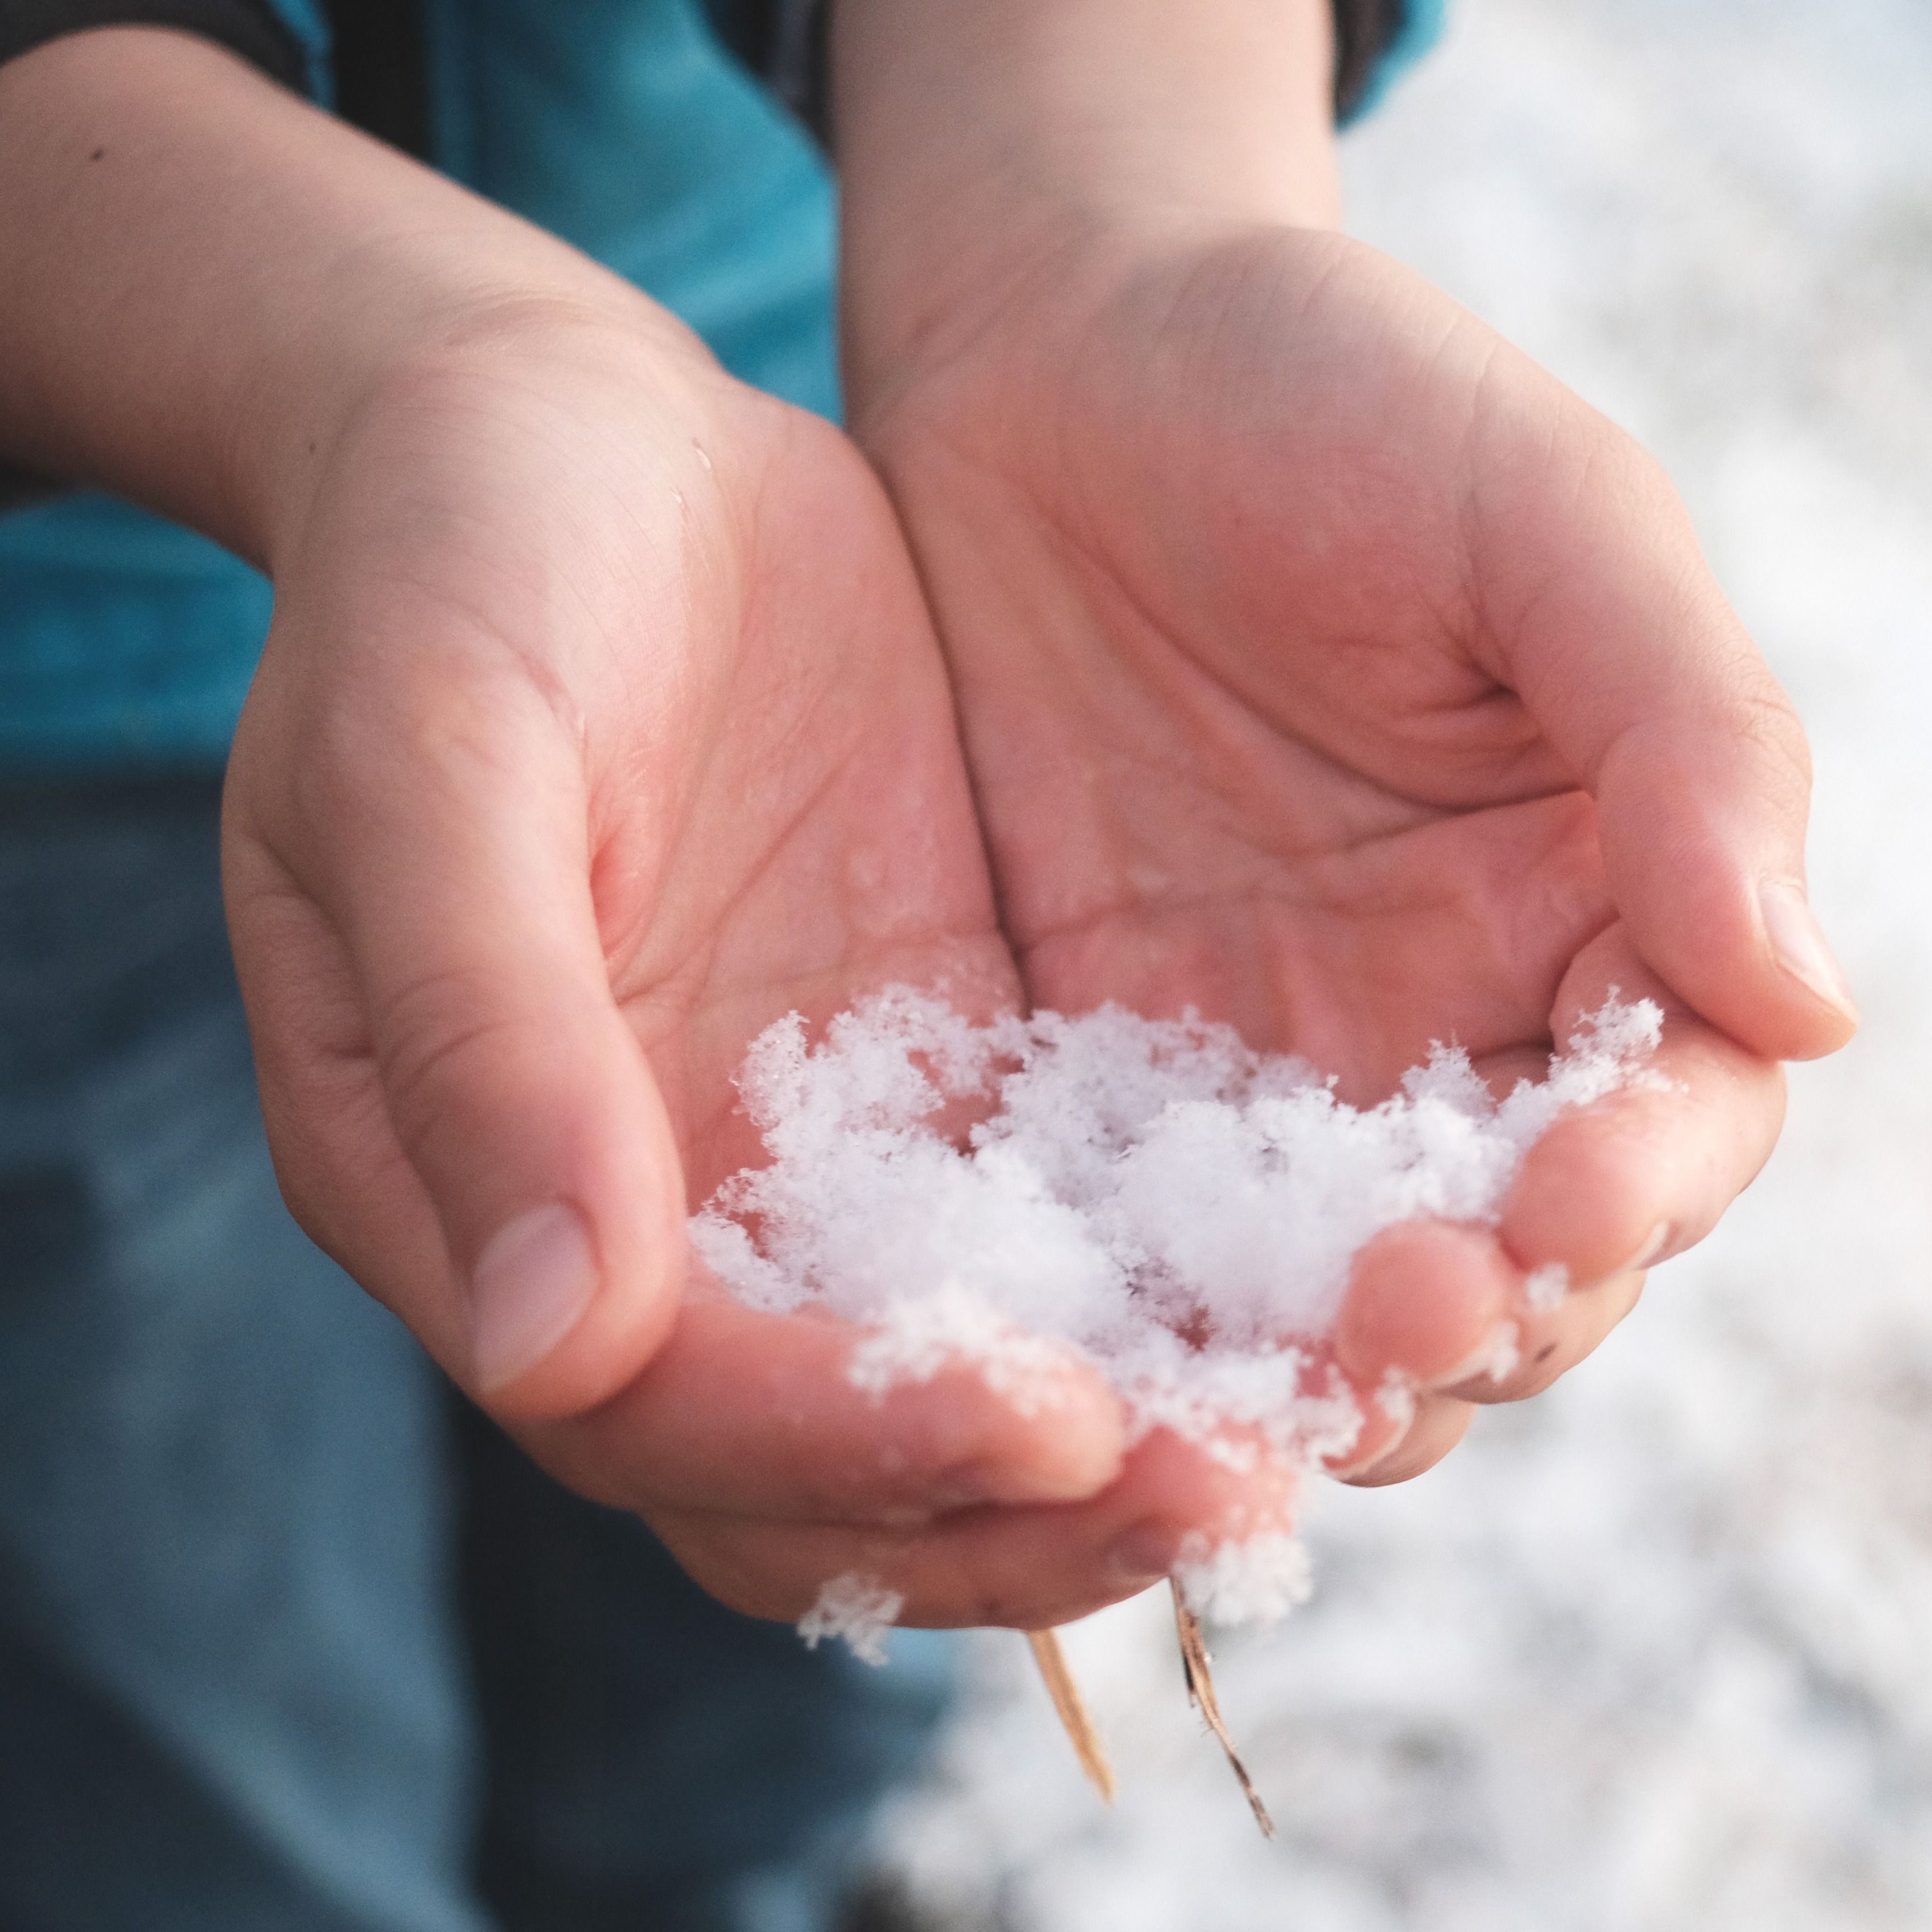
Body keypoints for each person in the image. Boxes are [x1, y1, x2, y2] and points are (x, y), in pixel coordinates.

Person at [0, 2, 1858, 1926]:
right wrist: (392, 363)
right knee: (188, 1714)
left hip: (810, 446)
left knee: (805, 1612)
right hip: (55, 693)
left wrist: (1113, 228)